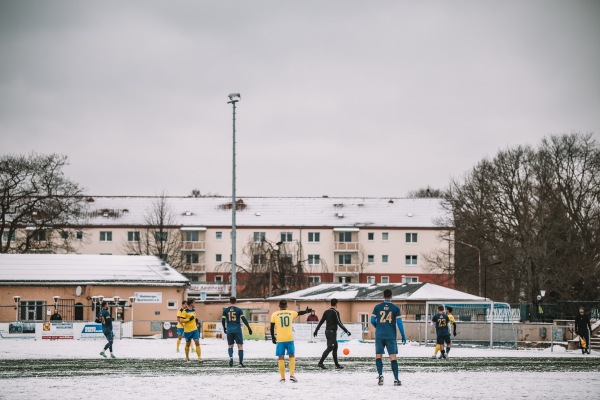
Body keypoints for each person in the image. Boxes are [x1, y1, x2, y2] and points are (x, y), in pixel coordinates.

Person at [370, 288, 406, 386]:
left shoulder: (377, 307)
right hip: (390, 336)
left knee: (378, 356)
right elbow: (399, 323)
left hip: (380, 335)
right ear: (391, 297)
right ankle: (396, 379)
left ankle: (380, 375)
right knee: (393, 357)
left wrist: (378, 327)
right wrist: (403, 335)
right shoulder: (395, 308)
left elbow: (372, 320)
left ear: (383, 296)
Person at [270, 300, 312, 383]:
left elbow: (272, 327)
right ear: (287, 306)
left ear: (279, 306)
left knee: (281, 357)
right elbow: (299, 313)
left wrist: (273, 337)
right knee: (291, 356)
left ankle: (282, 377)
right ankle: (292, 375)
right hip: (289, 338)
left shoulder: (274, 314)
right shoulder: (290, 313)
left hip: (280, 339)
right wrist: (307, 311)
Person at [314, 298, 350, 369]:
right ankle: (320, 363)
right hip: (332, 332)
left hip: (327, 332)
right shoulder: (335, 312)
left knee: (335, 347)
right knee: (330, 347)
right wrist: (346, 331)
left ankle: (337, 365)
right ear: (336, 304)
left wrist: (316, 330)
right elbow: (339, 323)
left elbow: (321, 322)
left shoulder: (326, 312)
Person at [222, 296, 252, 367]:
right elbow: (244, 319)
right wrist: (248, 327)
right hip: (237, 330)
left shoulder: (225, 310)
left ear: (229, 302)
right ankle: (240, 363)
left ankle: (231, 357)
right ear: (236, 302)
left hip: (229, 330)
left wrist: (224, 328)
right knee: (240, 346)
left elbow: (223, 320)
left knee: (230, 345)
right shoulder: (238, 310)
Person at [179, 299, 202, 363]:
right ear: (191, 304)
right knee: (188, 344)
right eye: (194, 303)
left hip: (194, 329)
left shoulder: (194, 310)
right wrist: (189, 319)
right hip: (187, 331)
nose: (194, 304)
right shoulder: (184, 311)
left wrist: (195, 320)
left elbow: (193, 318)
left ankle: (199, 358)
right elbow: (181, 320)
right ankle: (187, 357)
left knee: (197, 342)